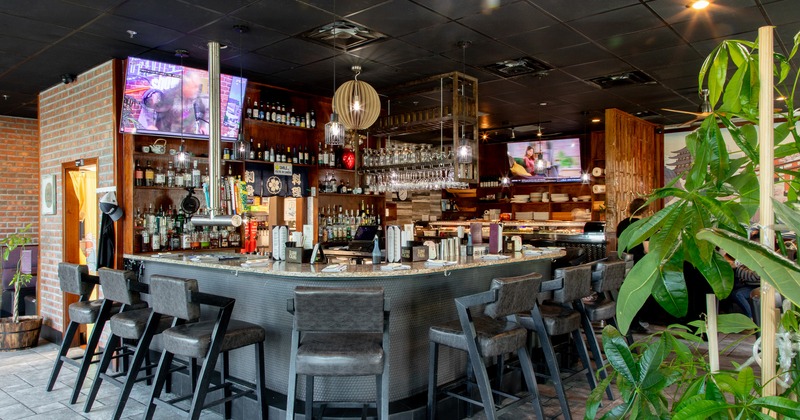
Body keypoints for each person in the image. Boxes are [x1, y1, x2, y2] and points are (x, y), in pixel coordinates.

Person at [617, 197, 650, 332]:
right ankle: (636, 322)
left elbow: (620, 244)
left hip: (624, 261)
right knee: (638, 293)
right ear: (645, 210)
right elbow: (647, 249)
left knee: (627, 292)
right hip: (638, 262)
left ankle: (626, 321)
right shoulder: (644, 225)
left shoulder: (622, 223)